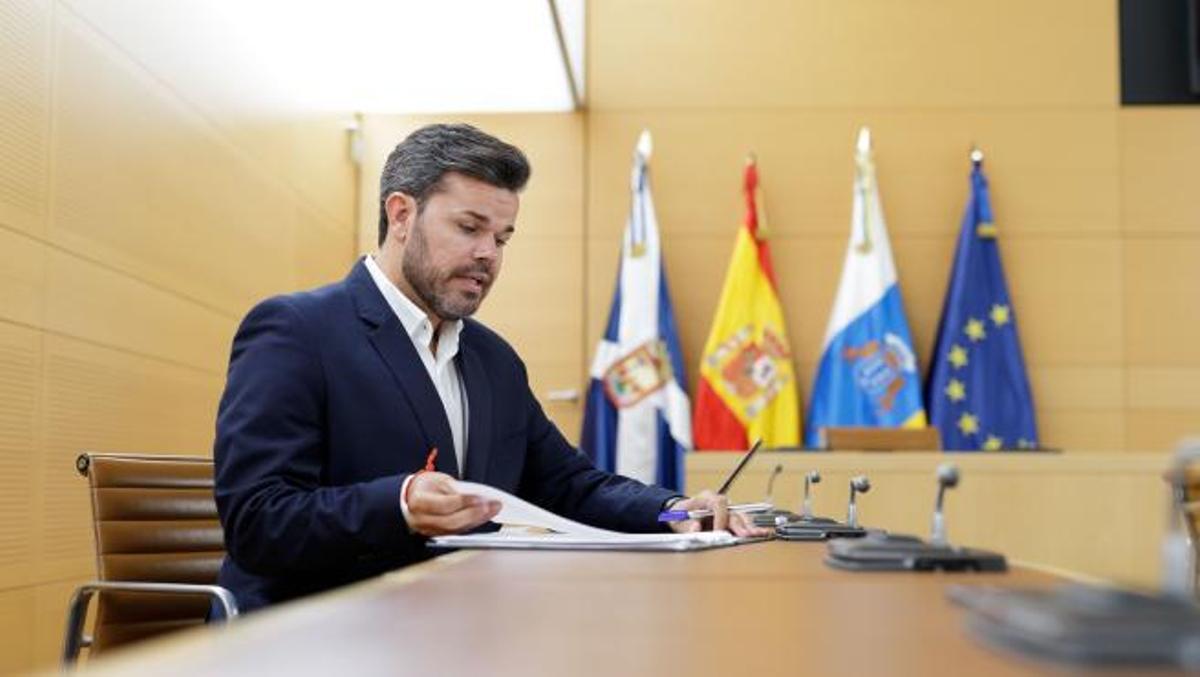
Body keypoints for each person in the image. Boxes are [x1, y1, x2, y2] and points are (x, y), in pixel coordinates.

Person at [213, 123, 767, 612]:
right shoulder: (296, 330)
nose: (489, 255)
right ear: (401, 214)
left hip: (455, 627)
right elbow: (258, 519)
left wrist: (673, 510)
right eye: (470, 228)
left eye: (502, 238)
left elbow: (570, 486)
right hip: (319, 634)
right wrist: (399, 503)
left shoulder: (493, 360)